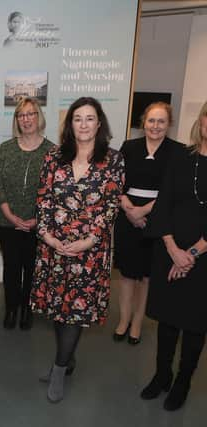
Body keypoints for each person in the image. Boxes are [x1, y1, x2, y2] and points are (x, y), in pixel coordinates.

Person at [30, 97, 124, 403]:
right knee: (58, 308)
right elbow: (43, 201)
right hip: (54, 250)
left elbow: (110, 207)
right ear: (70, 124)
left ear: (99, 124)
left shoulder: (113, 160)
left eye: (89, 118)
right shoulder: (53, 158)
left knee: (75, 312)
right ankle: (66, 359)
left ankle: (59, 368)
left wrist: (89, 240)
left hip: (89, 253)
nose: (83, 124)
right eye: (77, 119)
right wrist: (47, 236)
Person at [141, 101, 207, 411]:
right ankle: (162, 375)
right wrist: (172, 249)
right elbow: (163, 203)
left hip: (202, 259)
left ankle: (182, 381)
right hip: (169, 250)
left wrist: (191, 254)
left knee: (195, 324)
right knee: (167, 320)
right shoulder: (182, 157)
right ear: (201, 121)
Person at [112, 102, 183, 345]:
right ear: (144, 122)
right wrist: (130, 209)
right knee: (127, 274)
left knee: (146, 276)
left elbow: (172, 192)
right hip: (127, 215)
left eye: (161, 121)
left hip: (158, 218)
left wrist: (142, 210)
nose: (155, 126)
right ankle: (123, 320)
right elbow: (116, 183)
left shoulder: (178, 151)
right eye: (151, 120)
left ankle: (137, 323)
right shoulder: (128, 147)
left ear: (169, 124)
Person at [0, 98, 53, 331]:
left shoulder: (52, 151)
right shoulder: (6, 149)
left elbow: (53, 191)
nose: (26, 119)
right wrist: (9, 215)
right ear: (17, 120)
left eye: (31, 114)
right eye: (21, 115)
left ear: (39, 118)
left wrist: (36, 220)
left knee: (31, 267)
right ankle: (11, 308)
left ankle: (28, 308)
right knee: (11, 266)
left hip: (37, 223)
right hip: (7, 221)